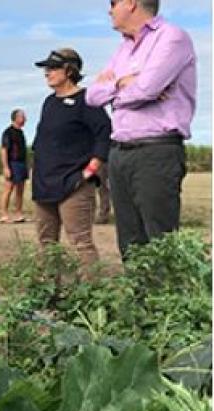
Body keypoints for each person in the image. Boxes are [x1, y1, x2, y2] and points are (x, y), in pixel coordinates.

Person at [86, 0, 196, 257]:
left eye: (113, 3)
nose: (109, 9)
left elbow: (147, 88)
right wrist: (123, 84)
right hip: (120, 152)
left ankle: (165, 297)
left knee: (159, 241)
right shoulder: (124, 48)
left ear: (132, 3)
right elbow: (91, 96)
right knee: (129, 241)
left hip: (155, 150)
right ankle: (139, 298)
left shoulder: (172, 37)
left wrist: (115, 89)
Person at [32, 48, 111, 276]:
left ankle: (92, 299)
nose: (47, 73)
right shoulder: (49, 102)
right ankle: (50, 294)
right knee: (47, 243)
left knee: (80, 243)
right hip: (44, 183)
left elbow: (104, 133)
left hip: (73, 184)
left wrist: (91, 169)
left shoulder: (87, 100)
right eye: (46, 69)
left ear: (69, 70)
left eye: (52, 68)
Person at [0, 109, 28, 224]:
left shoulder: (21, 133)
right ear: (16, 118)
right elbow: (3, 150)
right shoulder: (8, 132)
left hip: (21, 164)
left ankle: (18, 213)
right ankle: (4, 214)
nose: (25, 119)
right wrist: (6, 167)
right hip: (12, 163)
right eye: (23, 117)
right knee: (8, 189)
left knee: (20, 190)